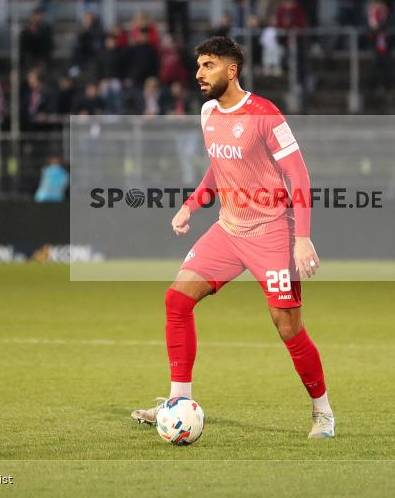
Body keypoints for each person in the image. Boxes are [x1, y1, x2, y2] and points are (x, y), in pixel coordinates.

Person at [129, 36, 335, 440]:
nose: (199, 73)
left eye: (208, 65)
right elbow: (217, 167)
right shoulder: (207, 113)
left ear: (232, 69)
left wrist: (302, 238)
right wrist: (191, 205)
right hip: (228, 229)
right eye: (199, 65)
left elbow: (300, 175)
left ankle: (323, 412)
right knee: (177, 300)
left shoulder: (265, 115)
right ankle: (176, 402)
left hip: (273, 232)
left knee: (287, 326)